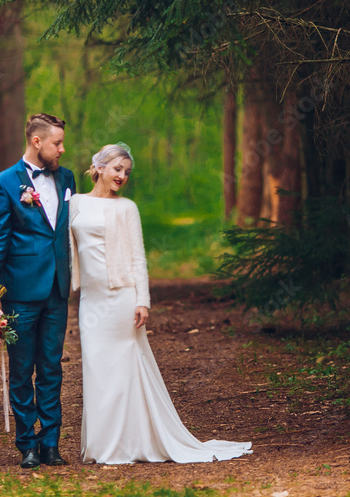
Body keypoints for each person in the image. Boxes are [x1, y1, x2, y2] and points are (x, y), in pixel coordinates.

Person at [69, 143, 253, 464]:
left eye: (126, 172)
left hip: (122, 298)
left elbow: (138, 256)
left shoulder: (127, 208)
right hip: (91, 299)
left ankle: (125, 445)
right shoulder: (75, 204)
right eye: (116, 169)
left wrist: (143, 300)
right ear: (98, 167)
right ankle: (100, 447)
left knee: (123, 369)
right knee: (96, 370)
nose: (122, 176)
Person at [0, 113, 75, 469]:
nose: (62, 150)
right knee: (21, 371)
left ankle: (51, 444)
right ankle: (27, 444)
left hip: (57, 289)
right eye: (57, 143)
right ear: (37, 142)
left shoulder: (67, 178)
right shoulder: (4, 183)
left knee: (51, 368)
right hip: (21, 290)